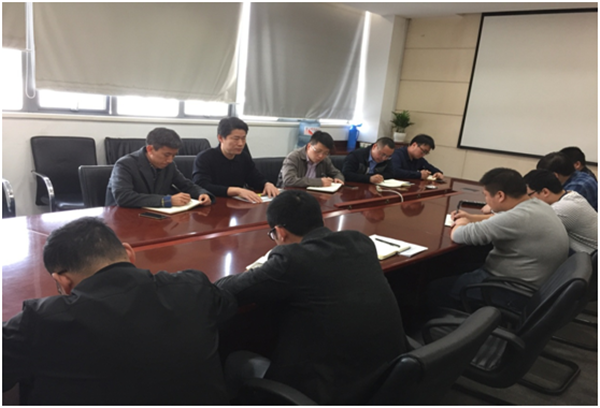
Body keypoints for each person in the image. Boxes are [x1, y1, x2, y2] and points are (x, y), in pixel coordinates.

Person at [2, 217, 237, 405]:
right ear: (129, 253)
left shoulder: (40, 322)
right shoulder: (193, 287)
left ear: (62, 281)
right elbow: (228, 304)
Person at [215, 191, 406, 405]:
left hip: (331, 393)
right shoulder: (360, 242)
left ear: (280, 232)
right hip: (385, 380)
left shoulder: (292, 259)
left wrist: (266, 268)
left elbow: (228, 289)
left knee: (236, 360)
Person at [429, 168, 569, 309]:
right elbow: (501, 219)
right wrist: (471, 218)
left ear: (500, 195)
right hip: (532, 283)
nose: (486, 200)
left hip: (510, 290)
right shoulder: (537, 205)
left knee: (434, 287)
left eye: (486, 195)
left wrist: (461, 222)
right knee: (455, 266)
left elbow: (459, 235)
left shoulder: (516, 217)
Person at [106, 127, 214, 208]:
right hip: (124, 218)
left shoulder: (169, 165)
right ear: (150, 149)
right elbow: (123, 197)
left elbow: (186, 184)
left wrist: (202, 194)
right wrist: (166, 200)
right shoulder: (124, 165)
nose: (170, 160)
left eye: (174, 155)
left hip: (155, 216)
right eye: (167, 155)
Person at [192, 117, 279, 203]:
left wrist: (267, 184)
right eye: (236, 139)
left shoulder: (243, 157)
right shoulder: (204, 158)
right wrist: (237, 191)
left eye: (243, 138)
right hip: (214, 204)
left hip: (237, 205)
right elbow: (201, 186)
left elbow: (255, 178)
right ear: (220, 138)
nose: (241, 143)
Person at [523, 169, 597, 254]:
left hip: (592, 258)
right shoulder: (571, 194)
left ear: (545, 192)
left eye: (529, 195)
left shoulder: (561, 209)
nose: (527, 199)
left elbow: (528, 231)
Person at [277, 131, 344, 187]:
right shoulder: (293, 157)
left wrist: (338, 179)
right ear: (309, 146)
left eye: (325, 153)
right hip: (291, 193)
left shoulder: (325, 159)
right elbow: (289, 180)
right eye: (318, 151)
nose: (321, 156)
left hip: (314, 194)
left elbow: (336, 173)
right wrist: (319, 182)